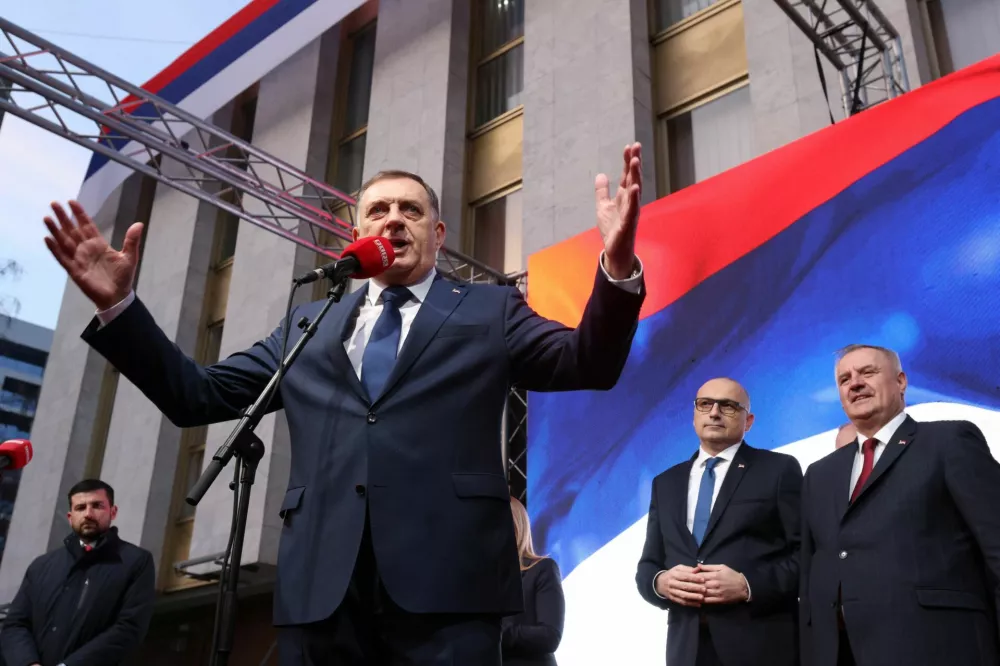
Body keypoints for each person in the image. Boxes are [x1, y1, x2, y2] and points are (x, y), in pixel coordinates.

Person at [41, 144, 647, 666]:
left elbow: (586, 361)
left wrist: (617, 271)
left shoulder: (489, 310)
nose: (393, 220)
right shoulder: (311, 322)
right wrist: (120, 309)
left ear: (437, 234)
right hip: (322, 591)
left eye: (411, 209)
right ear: (356, 235)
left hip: (449, 590)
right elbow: (195, 395)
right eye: (377, 210)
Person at [799, 344, 1000, 666]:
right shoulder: (819, 474)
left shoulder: (949, 441)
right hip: (841, 652)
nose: (855, 383)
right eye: (844, 379)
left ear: (901, 381)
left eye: (868, 372)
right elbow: (813, 570)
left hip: (939, 646)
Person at [636, 378, 802, 666]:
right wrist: (660, 582)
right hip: (687, 649)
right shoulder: (666, 483)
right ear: (694, 415)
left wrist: (748, 585)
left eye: (727, 406)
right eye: (705, 404)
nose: (714, 412)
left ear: (748, 421)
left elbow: (807, 556)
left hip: (761, 646)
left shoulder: (778, 470)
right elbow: (648, 565)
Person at [0, 479, 155, 666]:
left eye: (97, 506)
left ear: (113, 512)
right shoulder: (41, 566)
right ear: (70, 516)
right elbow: (15, 624)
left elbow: (130, 627)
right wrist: (29, 663)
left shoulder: (135, 561)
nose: (88, 514)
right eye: (80, 508)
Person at [501, 497, 565, 666]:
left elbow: (550, 635)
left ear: (515, 527)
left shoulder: (543, 569)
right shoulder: (480, 577)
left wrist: (495, 634)